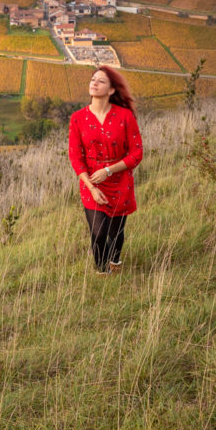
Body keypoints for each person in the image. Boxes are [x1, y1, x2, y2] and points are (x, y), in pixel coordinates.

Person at [68, 65, 143, 275]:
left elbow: (136, 153)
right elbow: (75, 156)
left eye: (101, 81)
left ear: (111, 90)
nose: (94, 83)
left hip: (120, 181)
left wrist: (109, 170)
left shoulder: (125, 116)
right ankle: (102, 273)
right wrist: (91, 186)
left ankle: (115, 263)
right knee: (98, 231)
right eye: (93, 79)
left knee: (115, 232)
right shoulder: (77, 118)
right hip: (91, 181)